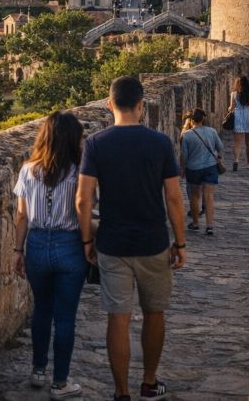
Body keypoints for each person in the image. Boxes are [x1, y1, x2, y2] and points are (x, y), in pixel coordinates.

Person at [76, 76, 186, 401]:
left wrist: (87, 241)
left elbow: (83, 200)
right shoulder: (160, 143)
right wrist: (180, 243)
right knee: (155, 313)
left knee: (118, 318)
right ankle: (149, 383)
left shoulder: (96, 144)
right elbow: (173, 198)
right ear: (141, 106)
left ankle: (121, 392)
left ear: (110, 105)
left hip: (113, 244)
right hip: (153, 243)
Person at [13, 111, 88, 398]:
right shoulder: (79, 171)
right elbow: (84, 209)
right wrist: (88, 243)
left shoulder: (28, 170)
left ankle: (38, 370)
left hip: (36, 244)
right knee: (65, 317)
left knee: (42, 309)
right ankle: (60, 382)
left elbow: (22, 216)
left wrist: (18, 250)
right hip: (69, 244)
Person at [180, 108, 222, 236]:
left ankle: (195, 223)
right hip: (210, 167)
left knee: (194, 196)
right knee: (209, 197)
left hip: (193, 169)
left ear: (191, 120)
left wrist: (182, 169)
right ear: (202, 119)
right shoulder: (212, 131)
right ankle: (209, 226)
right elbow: (220, 147)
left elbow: (184, 156)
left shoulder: (186, 135)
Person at [230, 76, 249, 171]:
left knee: (237, 143)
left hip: (238, 117)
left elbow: (231, 108)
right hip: (248, 117)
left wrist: (230, 109)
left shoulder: (234, 94)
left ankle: (236, 160)